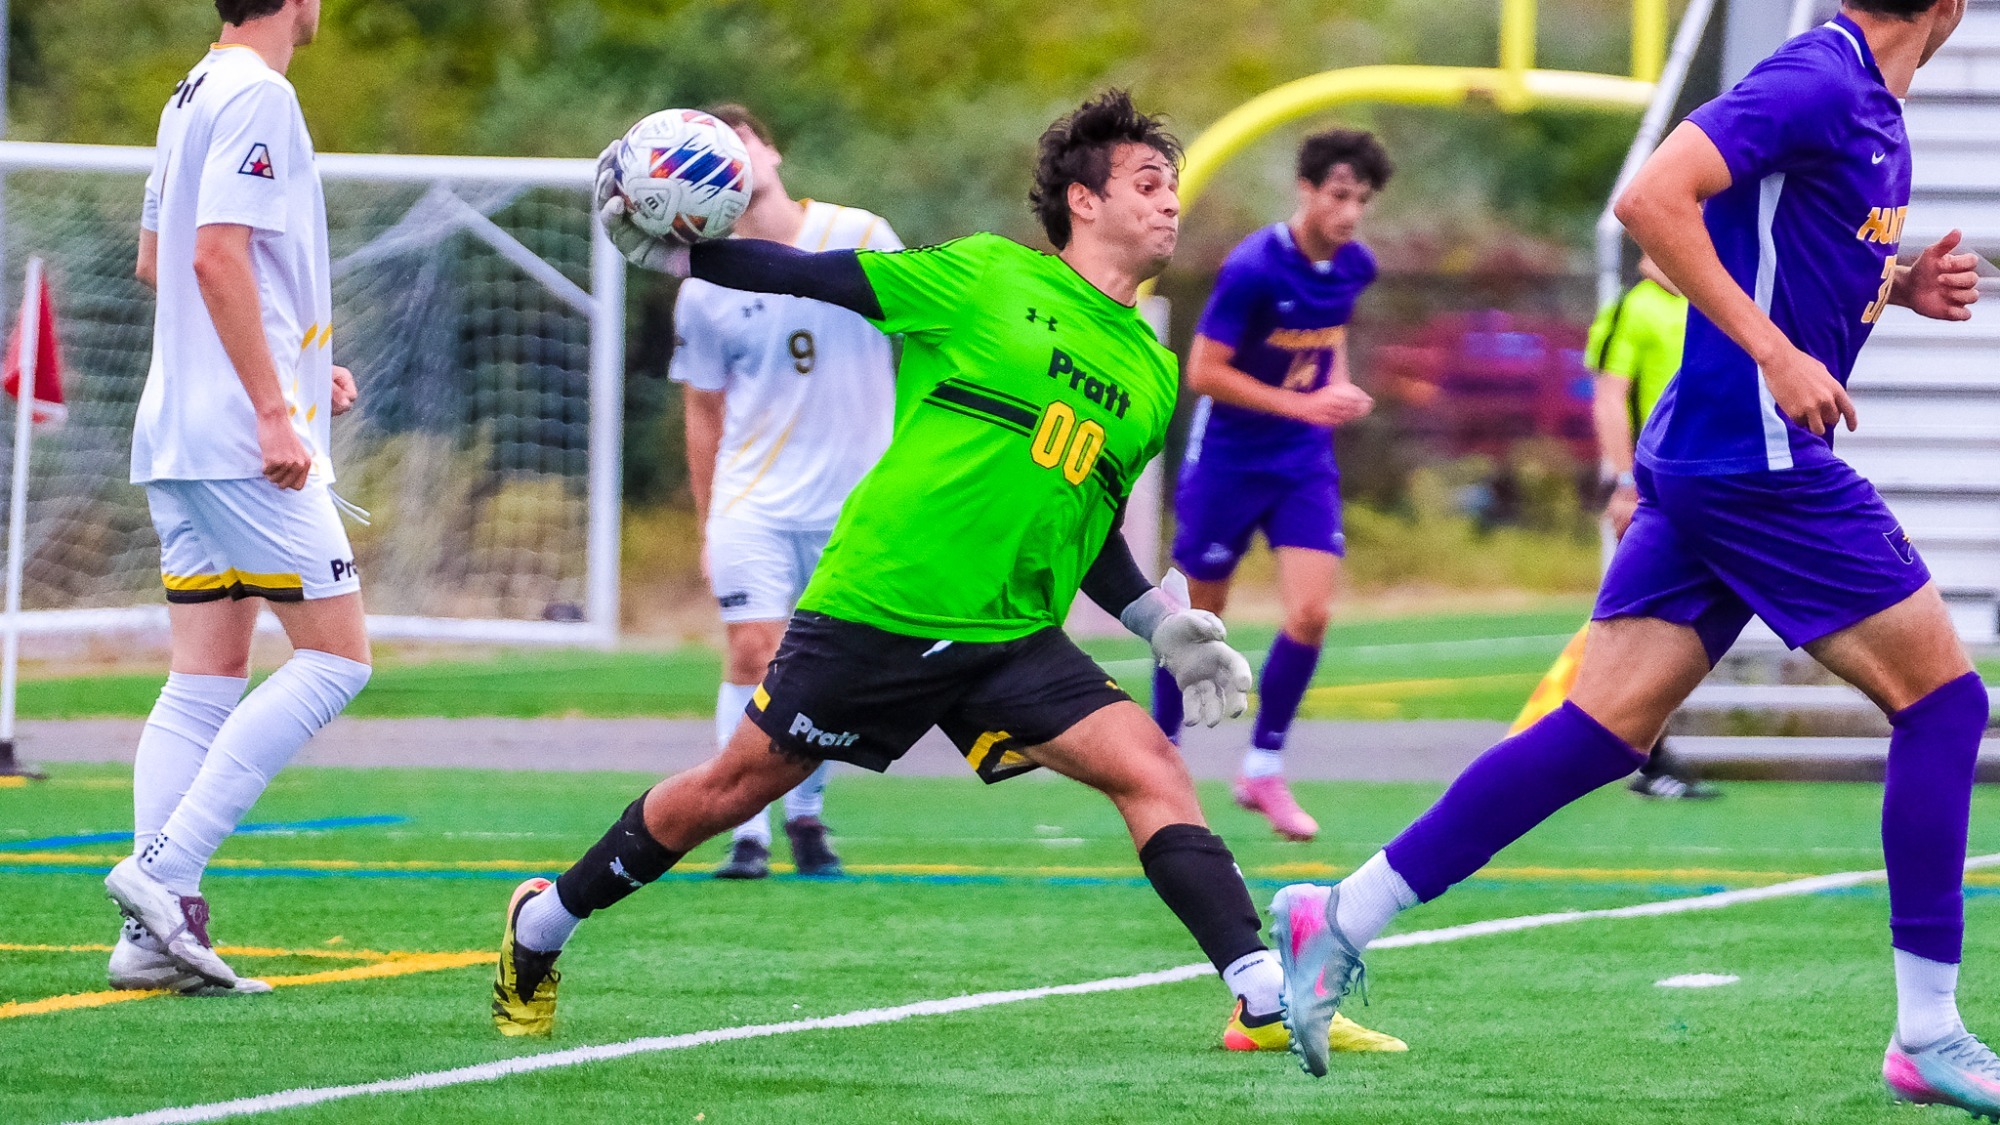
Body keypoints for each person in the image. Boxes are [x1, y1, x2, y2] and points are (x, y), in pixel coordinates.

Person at [494, 89, 1401, 1057]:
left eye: (1170, 186)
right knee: (736, 785)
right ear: (1083, 201)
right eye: (1147, 183)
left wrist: (1158, 624)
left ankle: (1261, 998)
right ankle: (542, 922)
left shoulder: (1150, 368)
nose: (1170, 201)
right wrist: (680, 254)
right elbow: (810, 275)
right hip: (883, 602)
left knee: (1151, 769)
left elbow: (1082, 523)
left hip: (1007, 634)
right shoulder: (982, 275)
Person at [1269, 2, 1996, 1103]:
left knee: (1598, 732)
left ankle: (1339, 915)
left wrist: (1896, 284)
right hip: (1757, 457)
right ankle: (1927, 1033)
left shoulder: (1867, 103)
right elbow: (1650, 198)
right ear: (1947, 7)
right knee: (1943, 705)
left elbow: (1784, 243)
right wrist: (1775, 352)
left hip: (1711, 453)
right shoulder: (1819, 77)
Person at [105, 0, 373, 995]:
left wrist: (299, 369)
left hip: (179, 431)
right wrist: (270, 406)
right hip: (236, 440)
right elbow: (214, 255)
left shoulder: (190, 90)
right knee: (337, 660)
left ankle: (149, 937)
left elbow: (156, 261)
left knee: (205, 675)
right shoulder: (258, 93)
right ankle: (165, 871)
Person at [673, 104, 903, 880]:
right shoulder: (705, 282)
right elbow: (704, 410)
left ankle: (806, 813)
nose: (731, 158)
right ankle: (746, 831)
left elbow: (923, 333)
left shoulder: (861, 234)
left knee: (826, 668)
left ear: (771, 151)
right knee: (751, 652)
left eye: (739, 141)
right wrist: (707, 524)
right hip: (754, 503)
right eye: (708, 153)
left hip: (854, 503)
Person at [1155, 129, 1390, 842]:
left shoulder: (1354, 266)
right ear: (1306, 189)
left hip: (1302, 460)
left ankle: (1263, 766)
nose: (1350, 213)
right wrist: (1302, 404)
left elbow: (1329, 336)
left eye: (1362, 200)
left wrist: (1335, 389)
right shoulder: (1254, 267)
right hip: (1229, 458)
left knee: (1311, 613)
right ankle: (1161, 762)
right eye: (1339, 195)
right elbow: (1204, 373)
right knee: (1197, 621)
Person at [1512, 256, 1719, 799]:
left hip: (1702, 483)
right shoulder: (1636, 307)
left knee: (1674, 621)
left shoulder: (1706, 299)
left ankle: (1643, 752)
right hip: (1655, 489)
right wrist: (1625, 482)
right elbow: (1609, 397)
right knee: (1637, 620)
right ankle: (1640, 757)